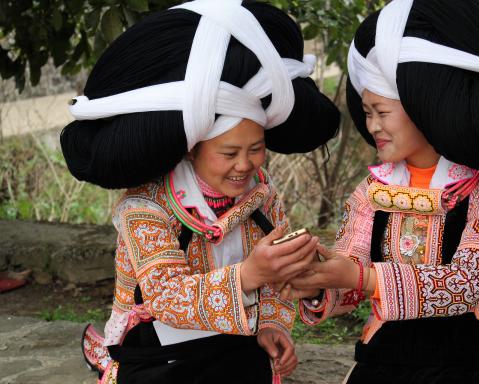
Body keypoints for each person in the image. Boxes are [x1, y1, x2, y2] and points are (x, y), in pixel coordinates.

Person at [59, 1, 340, 383]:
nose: (245, 165)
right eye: (229, 153)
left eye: (256, 149)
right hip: (158, 349)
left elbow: (275, 280)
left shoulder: (262, 196)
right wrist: (247, 275)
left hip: (234, 339)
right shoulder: (146, 205)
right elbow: (166, 297)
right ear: (193, 148)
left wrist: (273, 325)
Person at [286, 0, 479, 383]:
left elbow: (464, 285)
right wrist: (318, 280)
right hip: (388, 359)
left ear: (426, 106)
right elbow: (351, 268)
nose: (372, 125)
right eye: (367, 111)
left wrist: (363, 279)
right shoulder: (372, 189)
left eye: (382, 112)